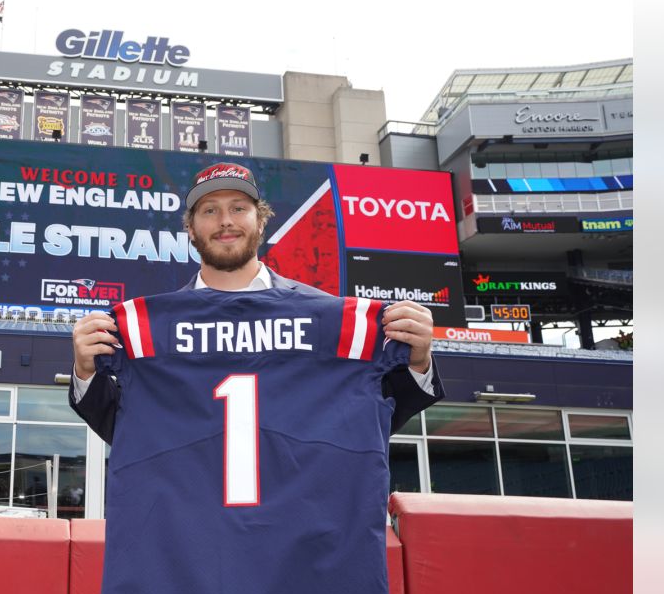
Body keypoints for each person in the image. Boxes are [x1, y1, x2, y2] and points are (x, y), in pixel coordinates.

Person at [69, 161, 443, 442]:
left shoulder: (325, 318)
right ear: (190, 228)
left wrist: (417, 360)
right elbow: (126, 430)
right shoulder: (148, 329)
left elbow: (368, 421)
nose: (225, 221)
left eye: (238, 208)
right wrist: (87, 372)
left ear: (261, 221)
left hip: (296, 533)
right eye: (210, 210)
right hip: (191, 532)